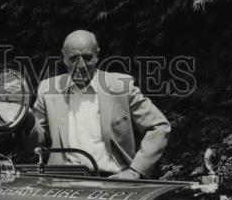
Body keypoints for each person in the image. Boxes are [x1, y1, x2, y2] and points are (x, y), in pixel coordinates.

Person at [33, 29, 170, 178]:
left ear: (97, 55)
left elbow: (159, 126)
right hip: (63, 182)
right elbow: (37, 141)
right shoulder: (48, 90)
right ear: (63, 58)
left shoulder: (120, 87)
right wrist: (24, 119)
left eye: (87, 57)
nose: (81, 65)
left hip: (113, 182)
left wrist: (135, 171)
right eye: (73, 58)